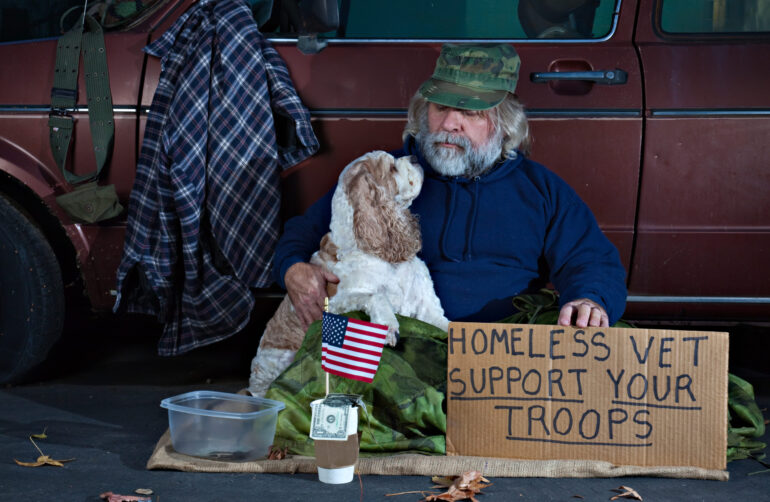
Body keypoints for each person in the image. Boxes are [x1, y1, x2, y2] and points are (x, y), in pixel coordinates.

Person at [273, 43, 627, 332]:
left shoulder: (540, 189)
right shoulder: (382, 176)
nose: (451, 123)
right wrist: (293, 269)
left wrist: (590, 299)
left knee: (609, 334)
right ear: (422, 112)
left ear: (504, 125)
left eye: (472, 112)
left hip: (502, 346)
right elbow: (304, 232)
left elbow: (590, 259)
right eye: (441, 107)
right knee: (331, 361)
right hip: (395, 339)